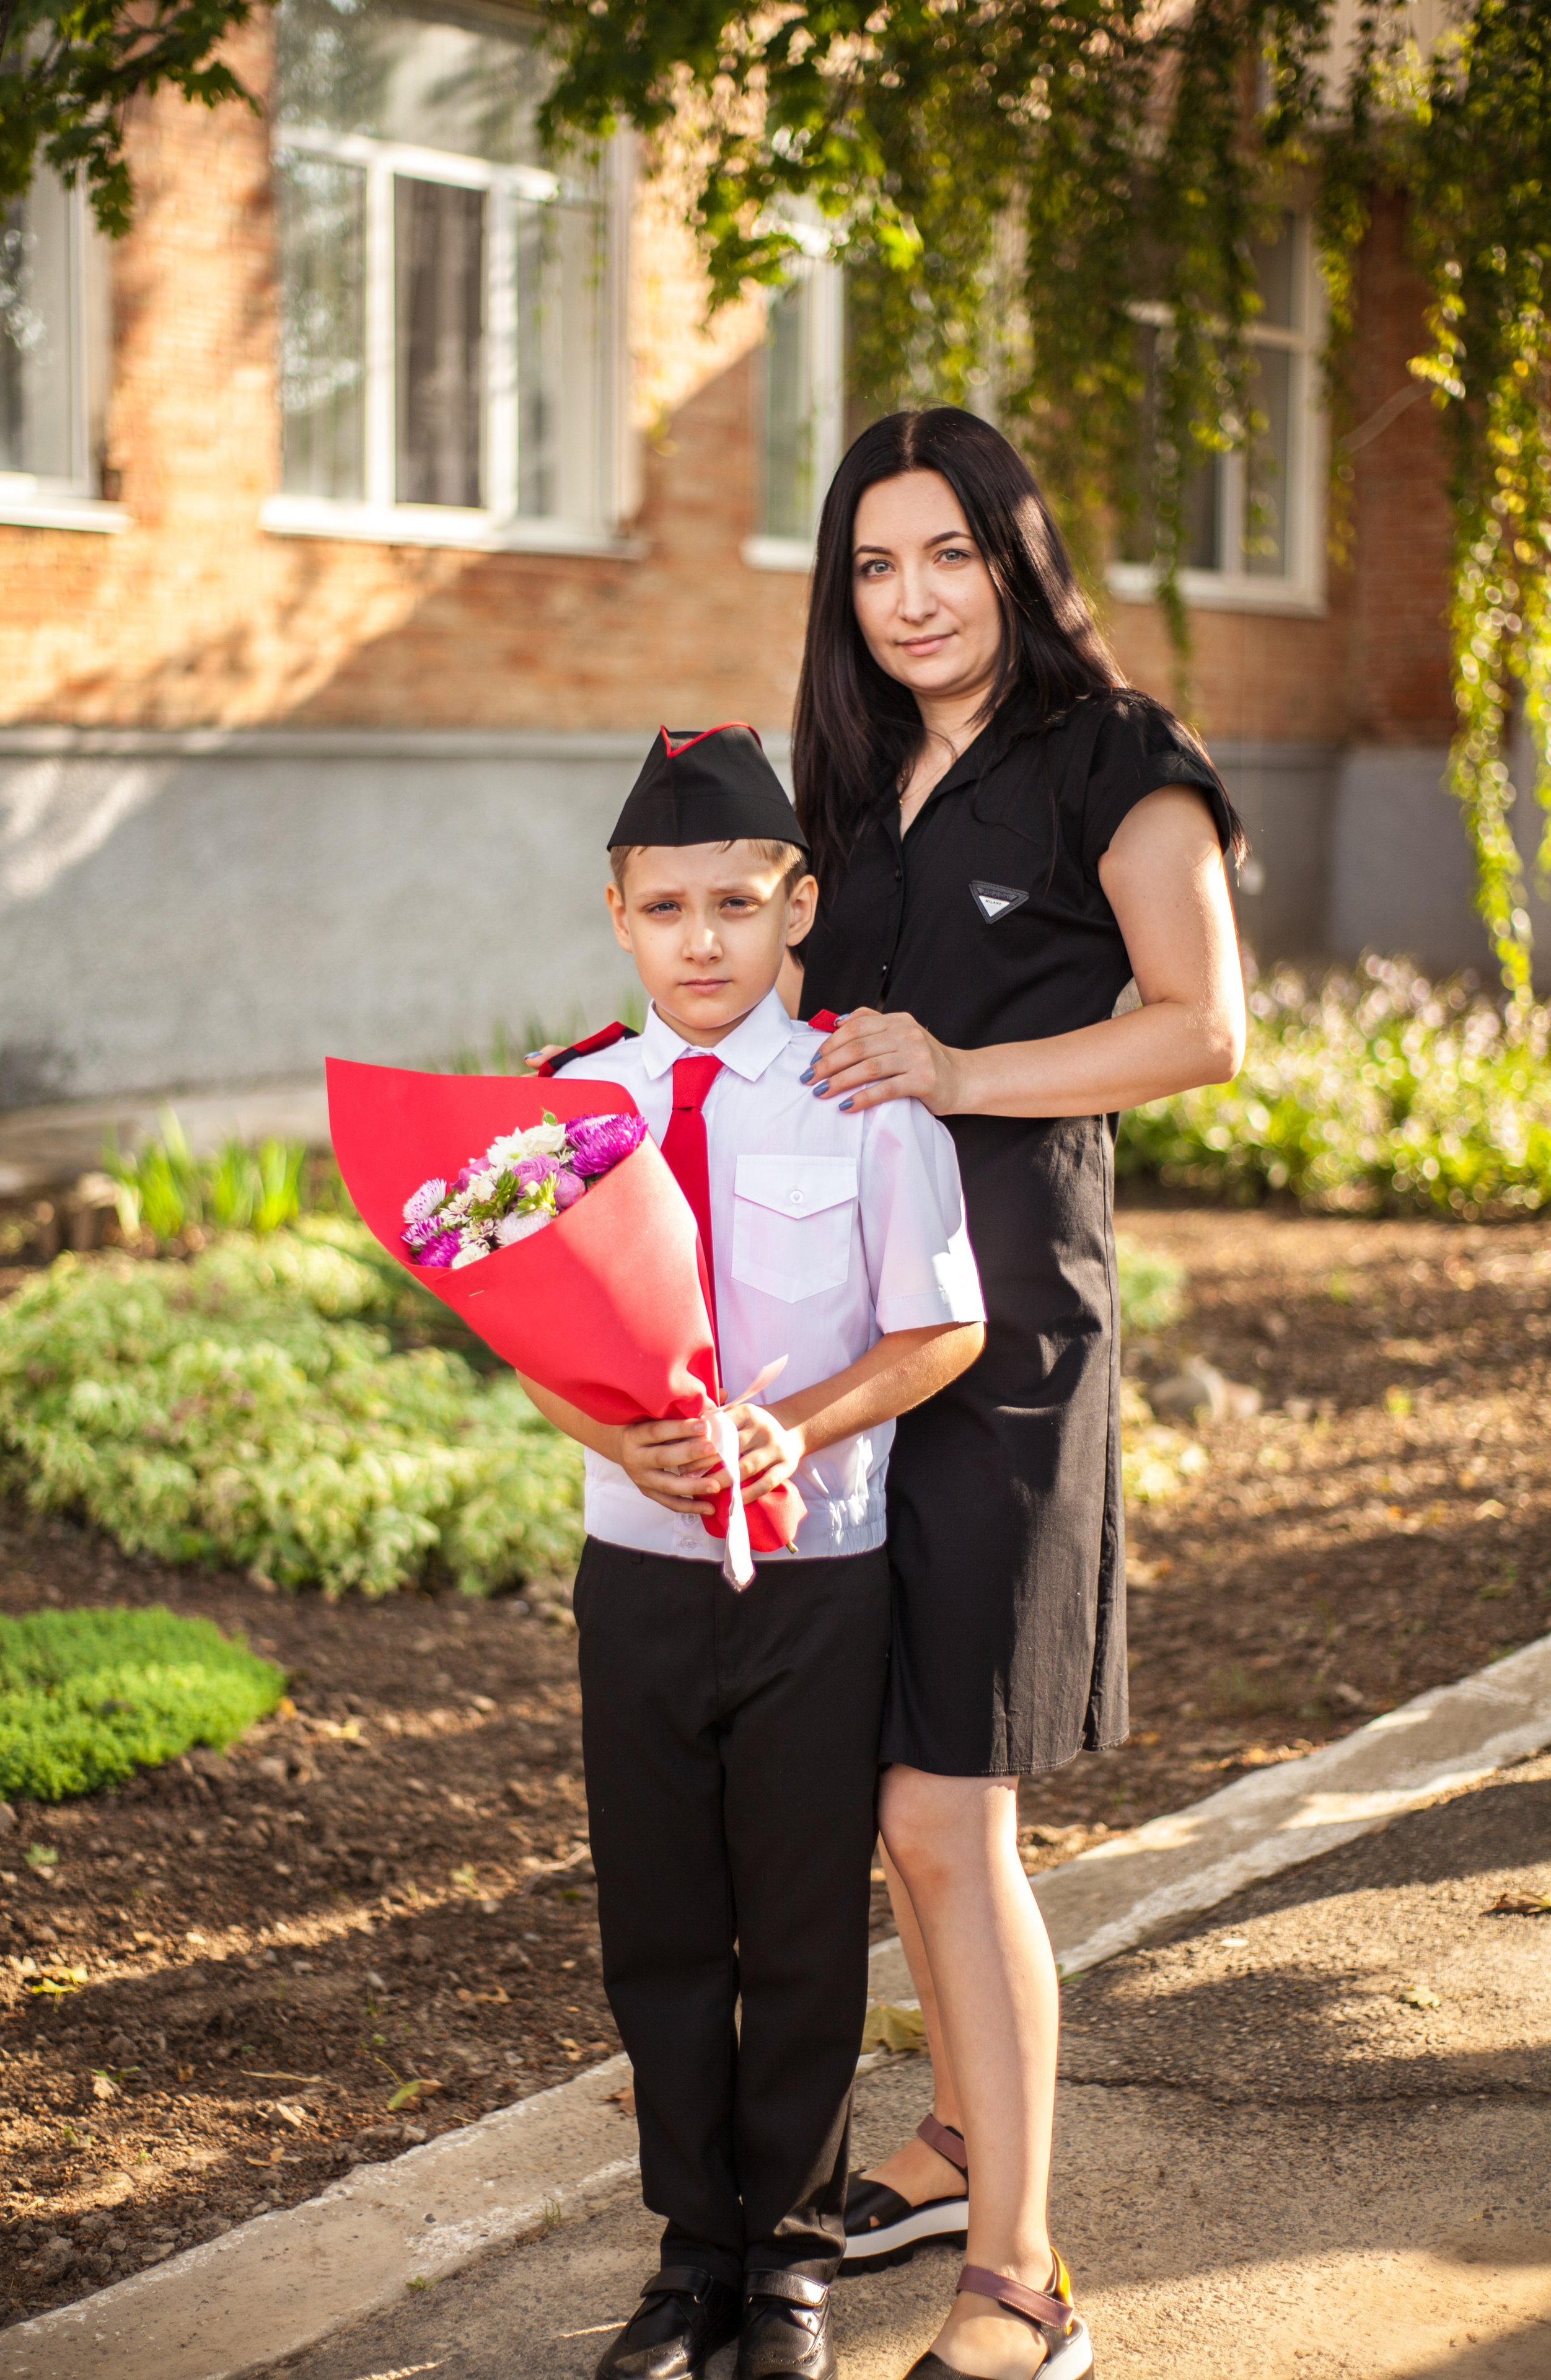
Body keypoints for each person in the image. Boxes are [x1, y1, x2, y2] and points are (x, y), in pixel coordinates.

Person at [789, 408, 1248, 2380]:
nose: (911, 601)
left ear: (1012, 556)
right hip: (857, 1343)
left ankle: (1026, 2283)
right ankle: (969, 2129)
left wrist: (964, 1073)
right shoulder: (852, 776)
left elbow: (1204, 1031)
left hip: (1015, 1351)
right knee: (897, 1811)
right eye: (876, 566)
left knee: (942, 1807)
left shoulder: (1118, 760)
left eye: (946, 558)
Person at [518, 721, 987, 2380]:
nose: (702, 942)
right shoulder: (574, 1103)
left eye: (736, 902)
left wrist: (816, 1422)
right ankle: (688, 2258)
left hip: (815, 1575)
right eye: (667, 909)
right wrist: (602, 1430)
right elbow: (531, 1331)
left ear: (798, 904)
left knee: (795, 1929)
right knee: (657, 1928)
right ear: (618, 916)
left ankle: (786, 2263)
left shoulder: (861, 1088)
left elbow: (944, 1325)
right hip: (635, 1569)